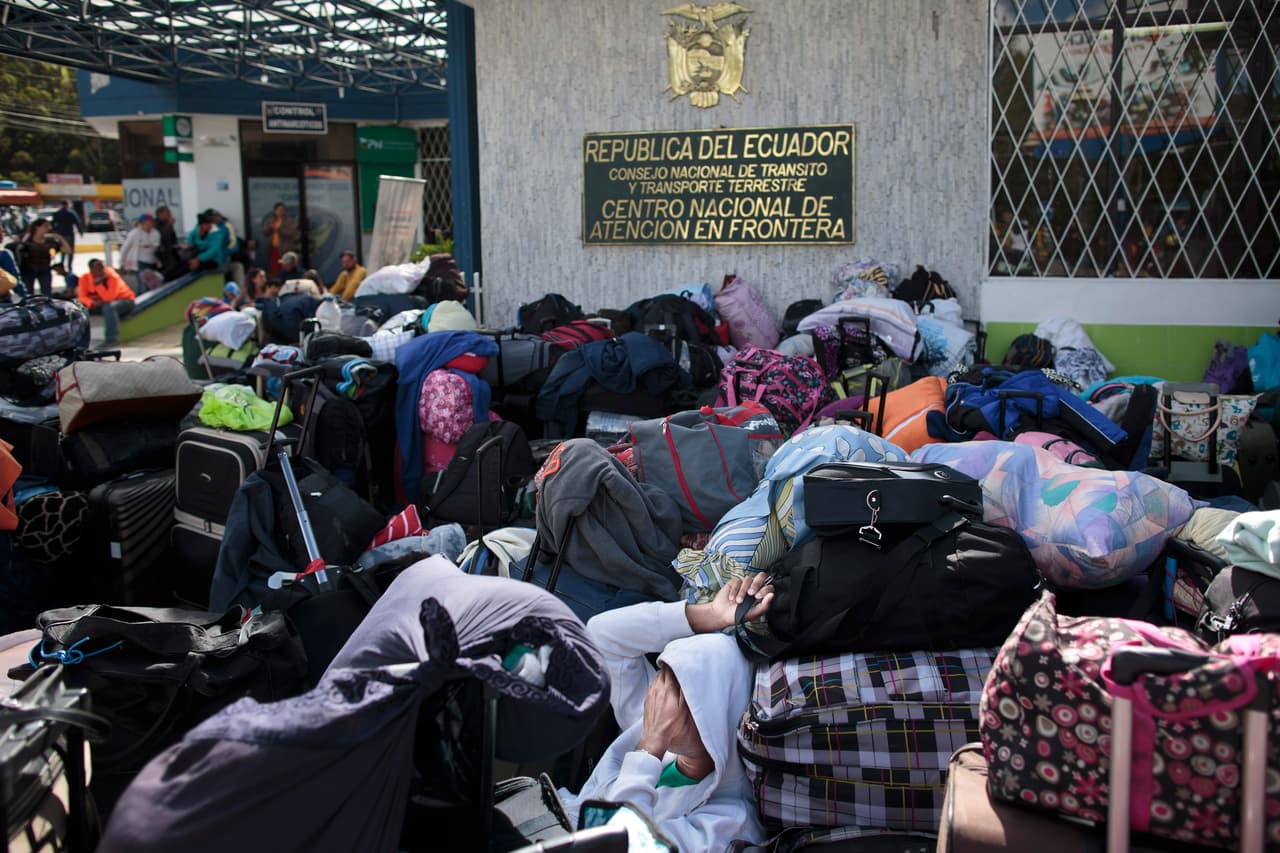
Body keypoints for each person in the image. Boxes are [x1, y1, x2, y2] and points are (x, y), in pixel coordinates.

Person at [558, 574, 773, 850]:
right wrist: (711, 615)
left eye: (678, 689)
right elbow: (601, 635)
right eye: (662, 675)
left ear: (718, 716)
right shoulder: (649, 724)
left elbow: (618, 845)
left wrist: (649, 750)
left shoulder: (729, 820)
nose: (658, 698)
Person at [77, 259, 136, 348]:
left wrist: (98, 284)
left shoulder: (113, 277)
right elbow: (82, 297)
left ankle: (111, 339)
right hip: (98, 303)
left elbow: (109, 298)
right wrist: (92, 303)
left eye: (103, 268)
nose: (102, 271)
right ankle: (80, 341)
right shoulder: (85, 278)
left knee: (109, 307)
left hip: (125, 301)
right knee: (79, 309)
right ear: (92, 270)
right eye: (99, 269)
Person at [18, 219, 69, 297]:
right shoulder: (26, 239)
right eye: (45, 226)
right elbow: (16, 248)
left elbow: (67, 250)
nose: (48, 228)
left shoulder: (50, 242)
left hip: (44, 269)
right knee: (28, 294)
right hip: (28, 270)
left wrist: (60, 238)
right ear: (37, 227)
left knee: (46, 293)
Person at [117, 213, 162, 290]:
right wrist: (122, 262)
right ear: (145, 222)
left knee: (153, 285)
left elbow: (156, 245)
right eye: (150, 221)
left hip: (153, 262)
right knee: (143, 285)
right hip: (141, 262)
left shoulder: (156, 233)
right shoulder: (135, 233)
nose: (152, 223)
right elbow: (125, 248)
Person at [261, 202, 297, 277]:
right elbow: (264, 232)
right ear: (275, 211)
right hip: (273, 249)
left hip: (285, 249)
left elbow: (292, 233)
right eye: (279, 210)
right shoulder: (271, 221)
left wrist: (280, 230)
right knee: (274, 268)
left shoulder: (289, 221)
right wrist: (271, 228)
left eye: (282, 210)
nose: (281, 211)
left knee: (286, 268)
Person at [51, 201, 81, 269]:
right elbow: (77, 223)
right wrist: (80, 231)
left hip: (61, 234)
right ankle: (69, 266)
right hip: (69, 234)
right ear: (67, 205)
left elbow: (53, 223)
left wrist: (54, 231)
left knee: (63, 249)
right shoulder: (71, 213)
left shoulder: (57, 213)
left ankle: (62, 263)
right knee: (70, 250)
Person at [154, 205, 181, 278]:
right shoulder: (155, 224)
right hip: (163, 255)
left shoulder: (166, 223)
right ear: (160, 214)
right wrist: (170, 225)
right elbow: (162, 236)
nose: (170, 214)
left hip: (172, 252)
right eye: (168, 213)